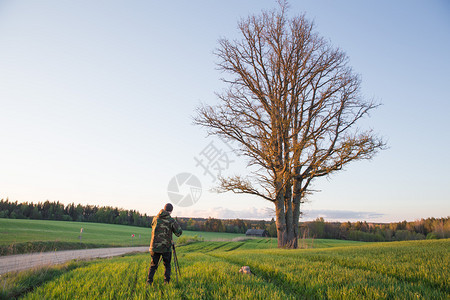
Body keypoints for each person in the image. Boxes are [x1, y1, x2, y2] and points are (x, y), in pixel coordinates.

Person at [147, 203, 182, 285]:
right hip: (166, 247)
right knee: (167, 265)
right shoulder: (171, 221)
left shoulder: (155, 219)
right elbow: (179, 232)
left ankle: (149, 282)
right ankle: (166, 282)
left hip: (154, 246)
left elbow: (152, 226)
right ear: (171, 211)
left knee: (153, 265)